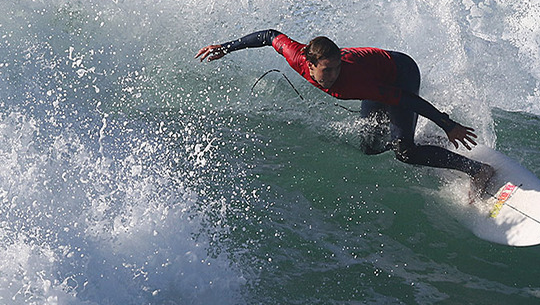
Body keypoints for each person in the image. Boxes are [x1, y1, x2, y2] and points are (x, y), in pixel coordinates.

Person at [196, 30, 495, 192]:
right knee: (369, 146)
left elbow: (406, 99)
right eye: (328, 70)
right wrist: (226, 47)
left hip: (400, 73)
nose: (334, 75)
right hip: (377, 78)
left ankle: (478, 170)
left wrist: (447, 123)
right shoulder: (297, 56)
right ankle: (422, 141)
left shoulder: (353, 81)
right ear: (309, 64)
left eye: (338, 66)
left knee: (405, 152)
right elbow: (269, 36)